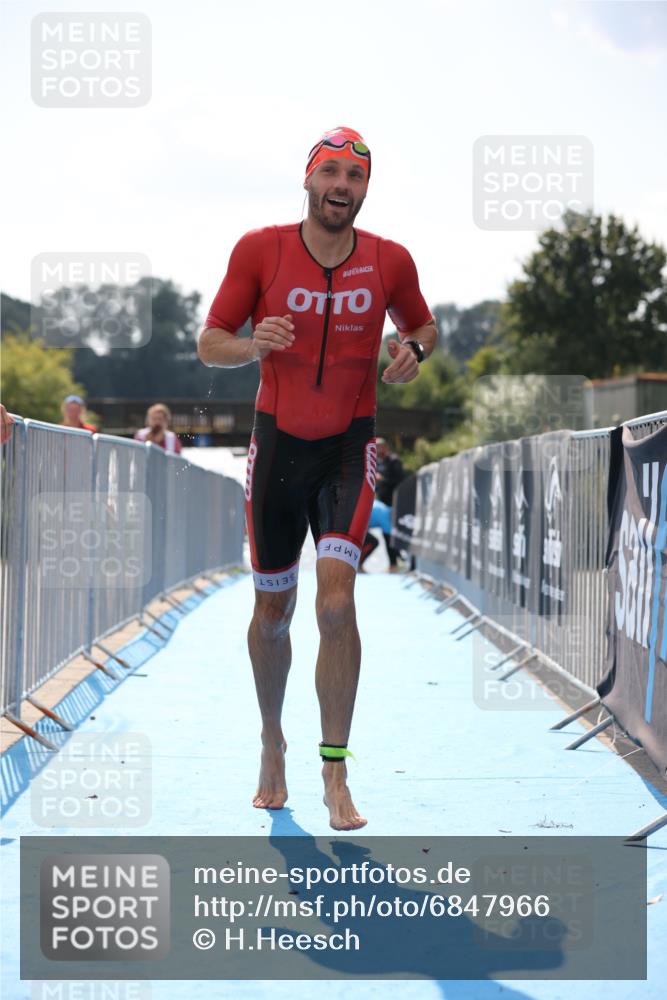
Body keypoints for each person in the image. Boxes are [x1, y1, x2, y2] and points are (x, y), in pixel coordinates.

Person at [198, 126, 437, 830]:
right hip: (276, 449)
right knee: (272, 615)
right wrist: (251, 344)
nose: (341, 186)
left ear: (365, 189)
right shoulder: (259, 249)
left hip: (347, 448)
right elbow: (210, 343)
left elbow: (424, 328)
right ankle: (273, 740)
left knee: (336, 605)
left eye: (354, 177)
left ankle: (334, 769)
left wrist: (411, 354)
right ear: (308, 180)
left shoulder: (389, 260)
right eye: (330, 172)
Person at [375, 438, 405, 572]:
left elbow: (399, 481)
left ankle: (402, 560)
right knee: (386, 534)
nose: (377, 450)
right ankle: (393, 563)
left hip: (395, 504)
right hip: (382, 505)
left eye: (379, 447)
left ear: (385, 447)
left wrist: (383, 479)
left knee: (397, 533)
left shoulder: (394, 461)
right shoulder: (377, 462)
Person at [359, 499, 393, 571]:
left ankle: (357, 563)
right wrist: (393, 563)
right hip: (357, 523)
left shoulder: (384, 508)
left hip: (356, 519)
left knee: (369, 541)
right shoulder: (386, 517)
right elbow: (390, 542)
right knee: (373, 542)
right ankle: (357, 564)